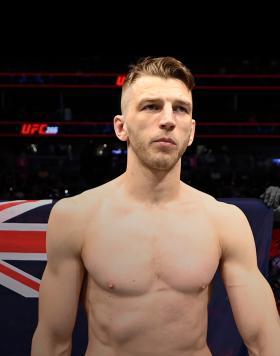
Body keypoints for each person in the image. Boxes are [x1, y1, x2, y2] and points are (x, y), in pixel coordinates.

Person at [31, 56, 280, 356]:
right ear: (121, 128)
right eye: (151, 106)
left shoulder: (225, 221)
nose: (168, 119)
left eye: (180, 109)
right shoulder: (76, 217)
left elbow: (266, 342)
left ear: (191, 131)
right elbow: (53, 342)